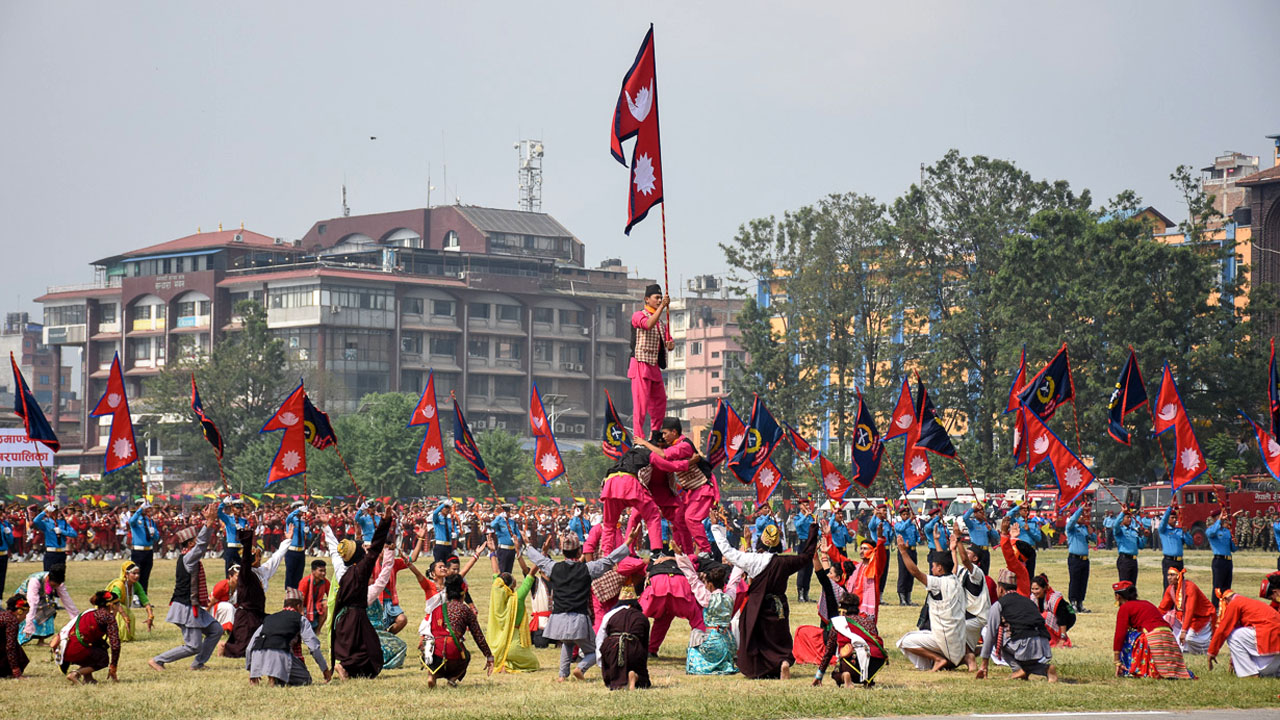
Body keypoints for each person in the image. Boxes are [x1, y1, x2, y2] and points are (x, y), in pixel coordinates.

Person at [712, 506, 819, 679]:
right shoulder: (785, 562)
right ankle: (783, 662)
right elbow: (807, 556)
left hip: (757, 605)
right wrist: (813, 529)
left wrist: (716, 527)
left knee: (756, 635)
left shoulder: (751, 559)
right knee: (778, 636)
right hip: (779, 605)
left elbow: (727, 551)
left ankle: (760, 668)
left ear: (760, 541)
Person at [524, 528, 635, 681]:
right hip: (578, 619)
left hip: (558, 619)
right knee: (593, 652)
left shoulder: (554, 568)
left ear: (563, 552)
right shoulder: (587, 569)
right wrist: (628, 542)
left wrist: (526, 545)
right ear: (579, 552)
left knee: (567, 644)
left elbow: (539, 560)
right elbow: (609, 560)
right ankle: (580, 668)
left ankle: (562, 676)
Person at [150, 504, 223, 671]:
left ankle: (198, 664)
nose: (198, 542)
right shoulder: (188, 558)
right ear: (190, 543)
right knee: (193, 646)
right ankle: (158, 660)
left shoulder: (188, 557)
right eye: (195, 540)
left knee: (216, 630)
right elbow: (202, 545)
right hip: (186, 607)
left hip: (192, 605)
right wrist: (209, 523)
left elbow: (201, 545)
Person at [812, 539, 886, 688]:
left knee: (843, 650)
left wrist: (816, 557)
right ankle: (868, 679)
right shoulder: (852, 579)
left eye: (865, 549)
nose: (861, 551)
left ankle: (845, 674)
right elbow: (839, 560)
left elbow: (823, 576)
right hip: (875, 658)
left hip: (847, 645)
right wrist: (826, 551)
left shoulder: (838, 593)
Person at [330, 514, 395, 679]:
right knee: (372, 649)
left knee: (356, 647)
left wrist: (326, 528)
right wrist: (385, 523)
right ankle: (344, 666)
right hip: (356, 617)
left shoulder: (344, 572)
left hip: (343, 618)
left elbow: (333, 550)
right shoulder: (361, 570)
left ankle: (349, 670)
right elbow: (375, 548)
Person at [895, 534, 966, 672]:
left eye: (933, 566)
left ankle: (938, 659)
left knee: (905, 641)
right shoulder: (955, 579)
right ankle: (945, 659)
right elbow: (953, 565)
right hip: (958, 638)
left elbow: (915, 572)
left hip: (944, 638)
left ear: (940, 568)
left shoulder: (937, 583)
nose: (932, 569)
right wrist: (950, 550)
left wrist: (903, 551)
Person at [976, 569, 1057, 682]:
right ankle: (1046, 670)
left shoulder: (999, 605)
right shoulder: (1029, 601)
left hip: (1024, 644)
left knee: (999, 638)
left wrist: (984, 665)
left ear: (1001, 589)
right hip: (1043, 645)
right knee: (1026, 660)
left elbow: (990, 635)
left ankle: (1017, 669)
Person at [222, 528, 291, 658]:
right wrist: (248, 540)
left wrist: (287, 540)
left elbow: (276, 558)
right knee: (242, 650)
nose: (259, 560)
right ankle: (223, 647)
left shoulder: (262, 571)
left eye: (260, 557)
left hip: (259, 614)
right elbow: (246, 559)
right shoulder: (245, 573)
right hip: (246, 616)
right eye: (257, 557)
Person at [1111, 580, 1193, 679]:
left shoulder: (1125, 607)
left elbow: (1119, 634)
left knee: (1128, 636)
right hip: (1169, 638)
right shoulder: (1146, 603)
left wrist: (1117, 661)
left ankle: (1131, 667)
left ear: (1118, 596)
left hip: (1152, 637)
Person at [422, 574, 493, 687]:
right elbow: (478, 635)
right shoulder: (466, 610)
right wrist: (489, 655)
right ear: (463, 591)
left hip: (435, 655)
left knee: (433, 649)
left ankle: (432, 675)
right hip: (453, 654)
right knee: (466, 655)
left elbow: (429, 632)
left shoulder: (437, 609)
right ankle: (452, 679)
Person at [245, 593, 331, 686]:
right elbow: (314, 648)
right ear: (299, 606)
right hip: (279, 654)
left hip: (258, 655)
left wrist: (252, 669)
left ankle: (274, 678)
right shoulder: (300, 619)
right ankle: (276, 677)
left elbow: (250, 647)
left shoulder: (269, 618)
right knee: (306, 679)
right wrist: (325, 670)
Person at [675, 553, 739, 675]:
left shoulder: (707, 598)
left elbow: (692, 578)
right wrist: (742, 558)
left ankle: (699, 666)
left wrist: (680, 555)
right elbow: (734, 580)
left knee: (695, 633)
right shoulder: (730, 597)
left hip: (714, 642)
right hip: (730, 643)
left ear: (709, 584)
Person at [1207, 578, 1280, 678]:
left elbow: (1223, 629)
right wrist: (1235, 660)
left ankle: (1249, 673)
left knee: (1234, 635)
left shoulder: (1235, 603)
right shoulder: (1248, 603)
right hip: (1275, 656)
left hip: (1270, 644)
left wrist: (1212, 651)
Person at [486, 539, 539, 673]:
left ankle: (504, 663)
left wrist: (492, 552)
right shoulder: (517, 598)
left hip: (496, 646)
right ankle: (509, 664)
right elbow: (531, 574)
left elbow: (496, 571)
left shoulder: (496, 591)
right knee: (534, 664)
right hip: (513, 645)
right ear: (513, 585)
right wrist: (541, 555)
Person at [628, 283, 674, 438]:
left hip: (654, 366)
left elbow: (669, 341)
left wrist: (670, 344)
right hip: (640, 363)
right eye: (657, 298)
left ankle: (655, 433)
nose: (659, 300)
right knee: (641, 405)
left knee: (660, 401)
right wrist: (662, 308)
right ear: (647, 299)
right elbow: (647, 325)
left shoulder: (661, 324)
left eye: (661, 298)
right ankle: (639, 437)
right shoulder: (638, 315)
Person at [640, 554, 704, 657]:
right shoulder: (686, 556)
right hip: (680, 585)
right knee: (697, 619)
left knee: (638, 616)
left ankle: (642, 648)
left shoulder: (650, 561)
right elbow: (694, 561)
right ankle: (704, 648)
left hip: (657, 583)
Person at [55, 590, 121, 685]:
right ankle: (75, 674)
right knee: (103, 658)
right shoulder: (109, 618)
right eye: (118, 605)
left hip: (66, 649)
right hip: (77, 650)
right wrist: (113, 665)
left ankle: (88, 678)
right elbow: (115, 645)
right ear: (111, 606)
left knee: (98, 647)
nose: (119, 608)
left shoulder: (90, 612)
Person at [596, 585, 651, 690]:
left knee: (613, 673)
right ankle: (636, 676)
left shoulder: (610, 615)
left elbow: (600, 637)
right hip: (634, 648)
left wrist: (601, 659)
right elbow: (645, 643)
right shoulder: (642, 617)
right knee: (644, 679)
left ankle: (618, 682)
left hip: (612, 648)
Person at [1157, 567, 1215, 655]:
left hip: (1201, 618)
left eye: (1172, 575)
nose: (1169, 577)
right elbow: (1162, 609)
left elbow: (1190, 611)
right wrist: (1151, 621)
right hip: (1183, 618)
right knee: (1165, 619)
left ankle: (1207, 648)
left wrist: (1184, 631)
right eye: (1168, 575)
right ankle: (1175, 645)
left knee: (1189, 638)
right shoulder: (1170, 589)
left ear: (1179, 576)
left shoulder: (1190, 587)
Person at [16, 563, 76, 645]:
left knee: (48, 610)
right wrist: (29, 625)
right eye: (53, 585)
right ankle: (20, 639)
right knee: (28, 615)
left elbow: (67, 600)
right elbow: (32, 603)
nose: (54, 588)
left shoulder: (58, 583)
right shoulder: (35, 580)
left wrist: (75, 618)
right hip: (24, 598)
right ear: (48, 578)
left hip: (41, 598)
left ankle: (41, 641)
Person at [104, 561, 153, 641]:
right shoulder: (119, 585)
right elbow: (115, 602)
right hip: (111, 608)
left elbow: (145, 601)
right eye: (134, 573)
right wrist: (125, 617)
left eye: (138, 573)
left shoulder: (136, 585)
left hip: (122, 607)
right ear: (126, 574)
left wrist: (150, 616)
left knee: (130, 615)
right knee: (123, 613)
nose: (137, 576)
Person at [1205, 508, 1239, 610]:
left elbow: (1233, 549)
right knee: (1218, 587)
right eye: (1221, 516)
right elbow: (1210, 533)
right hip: (1218, 561)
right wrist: (1219, 520)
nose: (1224, 517)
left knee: (1227, 586)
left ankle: (1226, 607)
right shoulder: (1212, 530)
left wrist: (1235, 543)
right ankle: (1215, 608)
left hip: (1228, 560)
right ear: (1216, 518)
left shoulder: (1227, 531)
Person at [1029, 574, 1075, 648]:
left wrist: (1062, 638)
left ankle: (1062, 642)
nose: (1034, 592)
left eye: (1037, 589)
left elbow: (1062, 618)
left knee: (1045, 616)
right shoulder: (1033, 598)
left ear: (1044, 588)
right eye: (1032, 589)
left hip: (1067, 617)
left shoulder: (1054, 599)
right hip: (1053, 618)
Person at [1063, 504, 1094, 613]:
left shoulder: (1084, 528)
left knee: (1083, 581)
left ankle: (1080, 602)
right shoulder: (1071, 528)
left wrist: (1090, 527)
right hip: (1074, 558)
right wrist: (1080, 509)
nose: (1082, 517)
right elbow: (1072, 521)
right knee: (1074, 581)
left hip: (1085, 559)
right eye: (1080, 515)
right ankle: (1073, 602)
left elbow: (1093, 539)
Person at [31, 503, 77, 571]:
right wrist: (45, 511)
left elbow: (74, 534)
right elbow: (35, 521)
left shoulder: (63, 523)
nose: (53, 513)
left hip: (61, 552)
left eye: (55, 511)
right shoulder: (45, 523)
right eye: (51, 511)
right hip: (51, 553)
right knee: (48, 575)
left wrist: (62, 531)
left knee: (60, 576)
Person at [127, 499, 159, 593]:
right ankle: (135, 597)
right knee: (135, 575)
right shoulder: (136, 520)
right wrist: (140, 509)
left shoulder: (150, 521)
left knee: (145, 576)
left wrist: (154, 534)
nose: (147, 510)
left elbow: (156, 537)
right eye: (145, 508)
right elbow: (131, 521)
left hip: (148, 551)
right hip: (138, 552)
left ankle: (143, 598)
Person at [1157, 506, 1192, 590]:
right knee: (1169, 586)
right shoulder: (1163, 530)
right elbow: (1163, 522)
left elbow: (1190, 543)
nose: (1174, 520)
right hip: (1169, 561)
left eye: (1175, 518)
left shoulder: (1179, 531)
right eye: (1172, 518)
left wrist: (1186, 533)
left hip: (1179, 561)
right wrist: (1169, 509)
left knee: (1180, 586)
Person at [893, 503, 920, 606]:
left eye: (907, 514)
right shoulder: (898, 524)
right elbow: (901, 529)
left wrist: (920, 538)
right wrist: (909, 520)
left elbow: (916, 536)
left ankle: (908, 597)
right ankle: (902, 598)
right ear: (901, 516)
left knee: (911, 573)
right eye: (904, 514)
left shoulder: (913, 526)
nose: (906, 516)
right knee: (903, 573)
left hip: (913, 550)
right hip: (904, 551)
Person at [1, 594, 30, 679]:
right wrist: (15, 670)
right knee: (15, 647)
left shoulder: (4, 615)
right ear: (19, 611)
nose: (25, 617)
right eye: (25, 614)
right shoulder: (12, 621)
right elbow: (10, 647)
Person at [218, 497, 249, 576]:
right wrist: (223, 503)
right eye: (237, 508)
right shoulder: (228, 519)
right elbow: (219, 512)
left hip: (241, 548)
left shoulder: (244, 521)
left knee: (242, 569)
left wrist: (243, 530)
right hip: (231, 548)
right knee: (229, 569)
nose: (239, 510)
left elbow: (248, 533)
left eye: (240, 508)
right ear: (232, 508)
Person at [1113, 508, 1144, 586]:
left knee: (1132, 586)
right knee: (1124, 585)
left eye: (1130, 517)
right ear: (1122, 519)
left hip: (1133, 560)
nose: (1129, 519)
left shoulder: (1134, 531)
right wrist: (1122, 513)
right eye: (1127, 517)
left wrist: (1145, 537)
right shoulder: (1120, 531)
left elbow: (1141, 545)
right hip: (1124, 560)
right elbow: (1116, 525)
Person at [282, 501, 309, 591]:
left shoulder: (303, 522)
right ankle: (288, 591)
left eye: (301, 508)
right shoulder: (291, 520)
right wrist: (298, 510)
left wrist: (307, 531)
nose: (301, 510)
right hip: (291, 551)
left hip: (301, 551)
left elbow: (309, 536)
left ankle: (297, 591)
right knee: (290, 572)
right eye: (298, 507)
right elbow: (289, 517)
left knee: (299, 573)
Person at [297, 559, 329, 633]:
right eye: (320, 571)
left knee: (327, 604)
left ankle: (317, 630)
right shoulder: (305, 581)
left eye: (324, 571)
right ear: (313, 571)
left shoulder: (325, 582)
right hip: (303, 607)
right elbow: (300, 600)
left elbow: (331, 596)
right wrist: (301, 613)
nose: (323, 573)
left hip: (316, 605)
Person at [962, 503, 995, 574]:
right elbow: (965, 518)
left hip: (985, 551)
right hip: (976, 551)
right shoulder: (972, 524)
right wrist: (973, 508)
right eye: (980, 512)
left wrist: (991, 530)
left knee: (985, 572)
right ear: (975, 514)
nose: (982, 513)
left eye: (983, 512)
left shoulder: (986, 524)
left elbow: (996, 537)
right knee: (975, 572)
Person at [431, 499, 457, 565]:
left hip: (449, 546)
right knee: (439, 565)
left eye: (448, 507)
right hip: (440, 545)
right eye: (445, 507)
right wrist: (443, 504)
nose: (447, 509)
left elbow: (455, 530)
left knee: (448, 565)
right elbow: (435, 513)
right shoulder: (437, 519)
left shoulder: (450, 520)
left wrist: (456, 534)